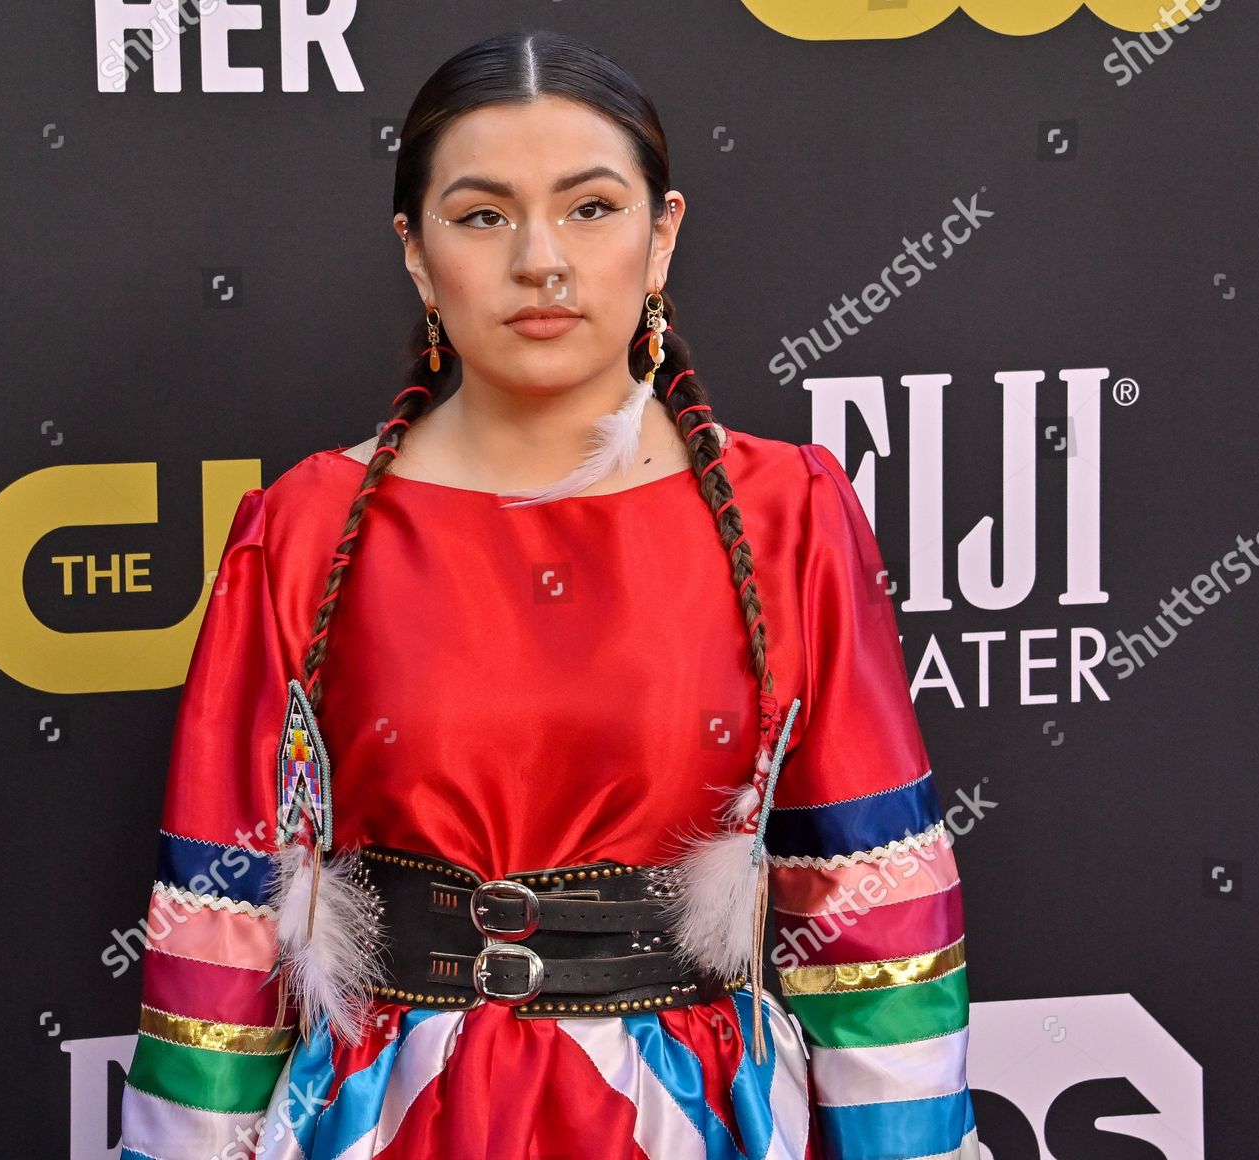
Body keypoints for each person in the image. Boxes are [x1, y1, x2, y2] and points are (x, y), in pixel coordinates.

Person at [117, 27, 979, 1160]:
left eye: (591, 207)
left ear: (662, 236)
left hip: (695, 1127)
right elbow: (219, 930)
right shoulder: (301, 529)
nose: (542, 260)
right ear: (417, 255)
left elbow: (875, 918)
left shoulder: (790, 513)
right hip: (390, 1127)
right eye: (482, 215)